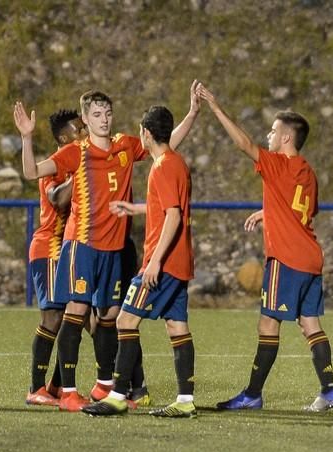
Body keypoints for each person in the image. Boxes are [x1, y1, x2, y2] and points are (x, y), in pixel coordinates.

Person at [13, 80, 200, 412]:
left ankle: (104, 386)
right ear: (85, 119)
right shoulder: (75, 152)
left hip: (114, 250)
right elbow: (31, 172)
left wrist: (191, 114)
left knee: (110, 316)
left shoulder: (125, 145)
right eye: (97, 114)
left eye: (108, 113)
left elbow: (165, 143)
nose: (104, 119)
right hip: (83, 246)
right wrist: (27, 137)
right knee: (76, 312)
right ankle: (68, 392)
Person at [196, 83, 333, 412]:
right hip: (310, 257)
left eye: (274, 131)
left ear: (287, 138)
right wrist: (269, 211)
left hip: (286, 258)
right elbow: (305, 209)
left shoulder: (278, 164)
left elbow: (243, 143)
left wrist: (216, 107)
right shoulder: (307, 171)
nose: (269, 135)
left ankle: (252, 394)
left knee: (267, 325)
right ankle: (329, 391)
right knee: (310, 325)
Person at [82, 104, 197, 418]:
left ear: (146, 133)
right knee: (177, 326)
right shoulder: (176, 162)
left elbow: (173, 216)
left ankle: (118, 395)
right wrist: (137, 210)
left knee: (125, 320)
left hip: (164, 264)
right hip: (180, 262)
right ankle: (185, 400)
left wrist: (155, 262)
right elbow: (171, 209)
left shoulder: (163, 166)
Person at [25, 109, 86, 406]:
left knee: (75, 317)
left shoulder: (82, 161)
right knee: (53, 316)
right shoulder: (58, 164)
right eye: (79, 129)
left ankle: (57, 386)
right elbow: (57, 199)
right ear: (64, 138)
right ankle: (36, 389)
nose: (85, 133)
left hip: (71, 249)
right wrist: (82, 170)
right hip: (49, 247)